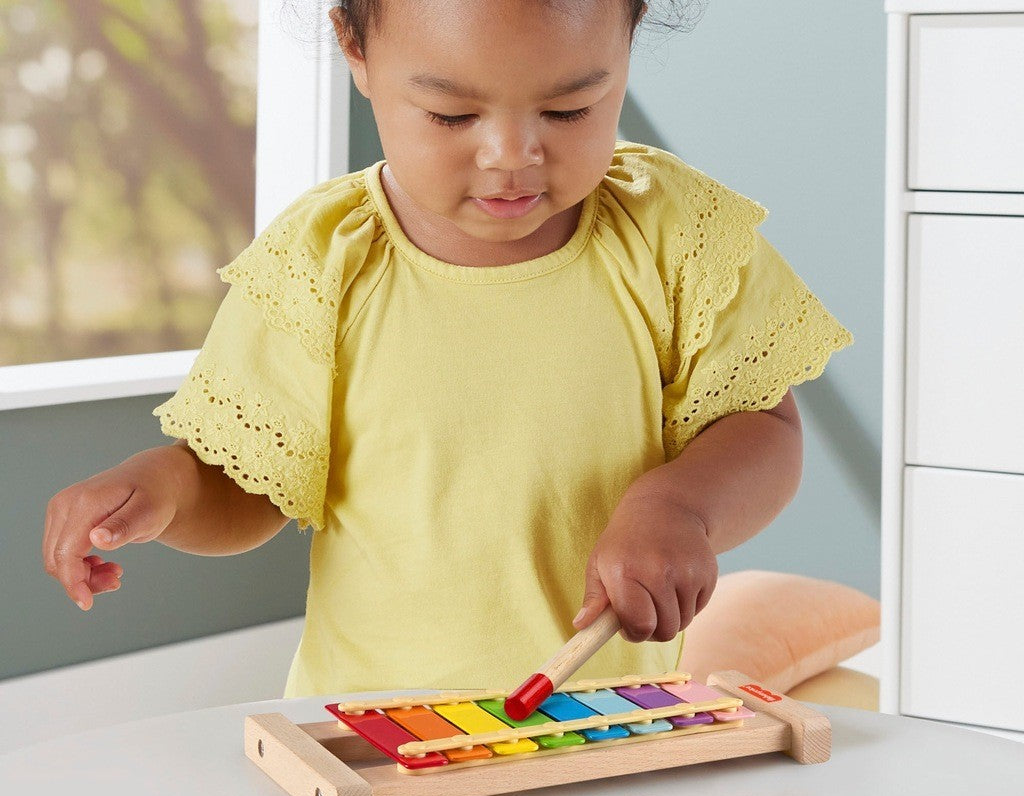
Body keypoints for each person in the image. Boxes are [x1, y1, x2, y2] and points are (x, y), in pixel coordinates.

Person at [42, 0, 854, 699]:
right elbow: (248, 486)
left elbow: (760, 428)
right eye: (452, 115)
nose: (511, 154)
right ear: (355, 51)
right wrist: (165, 487)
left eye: (569, 110)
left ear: (626, 46)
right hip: (372, 730)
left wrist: (681, 508)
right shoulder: (322, 261)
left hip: (607, 723)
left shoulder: (677, 235)